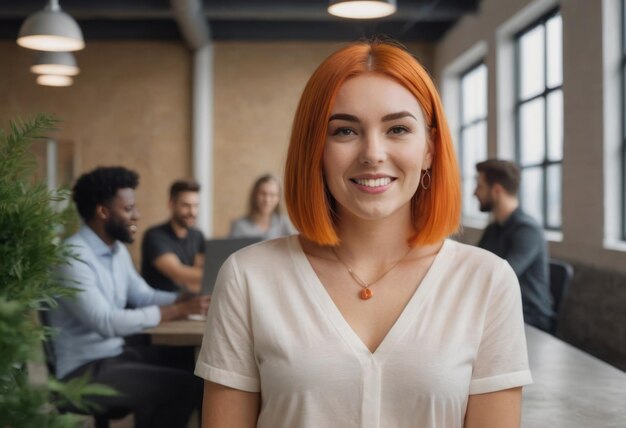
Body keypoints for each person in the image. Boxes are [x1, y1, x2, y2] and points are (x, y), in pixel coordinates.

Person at [195, 39, 532, 428]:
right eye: (344, 131)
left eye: (398, 128)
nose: (372, 153)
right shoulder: (247, 277)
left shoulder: (487, 281)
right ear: (315, 150)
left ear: (429, 149)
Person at [48, 166, 210, 428]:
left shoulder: (116, 251)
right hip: (82, 371)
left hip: (114, 354)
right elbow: (106, 322)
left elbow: (143, 295)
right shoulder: (73, 257)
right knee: (185, 387)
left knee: (195, 367)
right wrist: (176, 311)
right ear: (103, 212)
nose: (138, 215)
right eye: (128, 209)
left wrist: (184, 299)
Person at [474, 159, 555, 332]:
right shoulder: (493, 229)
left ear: (496, 190)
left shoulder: (527, 230)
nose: (474, 193)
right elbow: (477, 270)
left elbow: (502, 277)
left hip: (530, 319)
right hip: (501, 313)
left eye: (480, 186)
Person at [141, 180, 205, 294]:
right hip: (161, 306)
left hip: (189, 302)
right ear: (171, 204)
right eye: (186, 205)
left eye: (196, 206)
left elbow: (198, 274)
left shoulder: (197, 235)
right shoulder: (155, 236)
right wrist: (221, 273)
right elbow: (178, 274)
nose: (192, 212)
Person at [228, 173, 294, 240]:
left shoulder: (283, 223)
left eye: (272, 195)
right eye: (263, 193)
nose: (267, 200)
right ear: (254, 195)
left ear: (278, 198)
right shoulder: (239, 226)